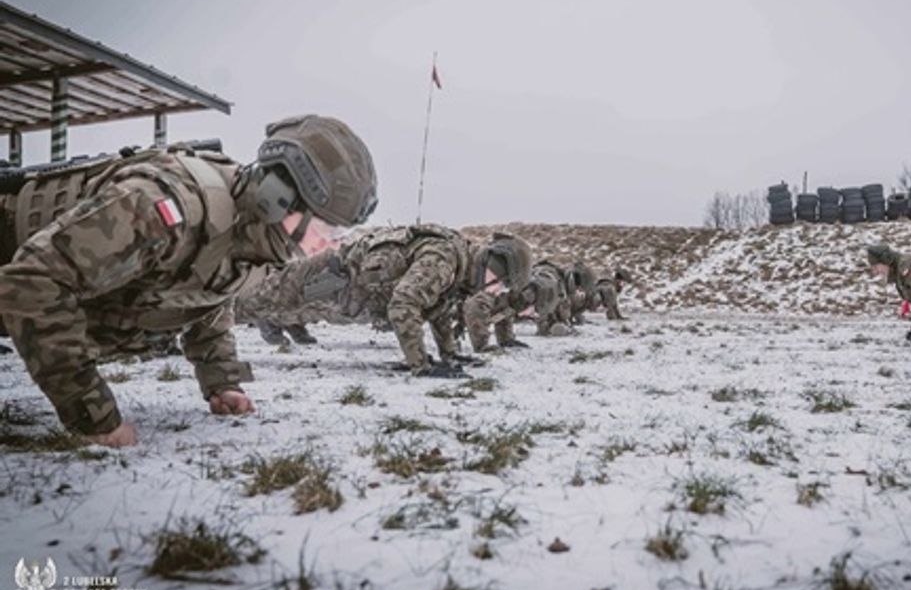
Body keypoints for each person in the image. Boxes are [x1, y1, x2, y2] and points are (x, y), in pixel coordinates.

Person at [0, 115, 378, 447]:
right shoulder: (163, 208)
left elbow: (210, 293)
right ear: (276, 199)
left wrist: (222, 381)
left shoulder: (255, 238)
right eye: (327, 227)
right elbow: (31, 282)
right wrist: (93, 417)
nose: (329, 243)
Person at [234, 226, 533, 375]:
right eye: (501, 282)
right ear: (491, 263)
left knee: (280, 312)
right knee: (255, 303)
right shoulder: (443, 260)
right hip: (330, 280)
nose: (497, 291)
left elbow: (436, 308)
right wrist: (420, 364)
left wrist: (449, 355)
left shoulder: (457, 271)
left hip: (345, 297)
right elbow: (404, 304)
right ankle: (193, 320)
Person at [462, 266, 563, 351]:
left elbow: (505, 312)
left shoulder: (517, 298)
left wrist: (506, 340)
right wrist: (481, 345)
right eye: (534, 310)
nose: (533, 315)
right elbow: (474, 308)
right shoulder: (499, 289)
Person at [565, 261, 598, 325]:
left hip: (570, 293)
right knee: (579, 308)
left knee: (571, 307)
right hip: (583, 292)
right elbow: (592, 284)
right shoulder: (588, 271)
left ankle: (571, 318)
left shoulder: (569, 271)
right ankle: (577, 318)